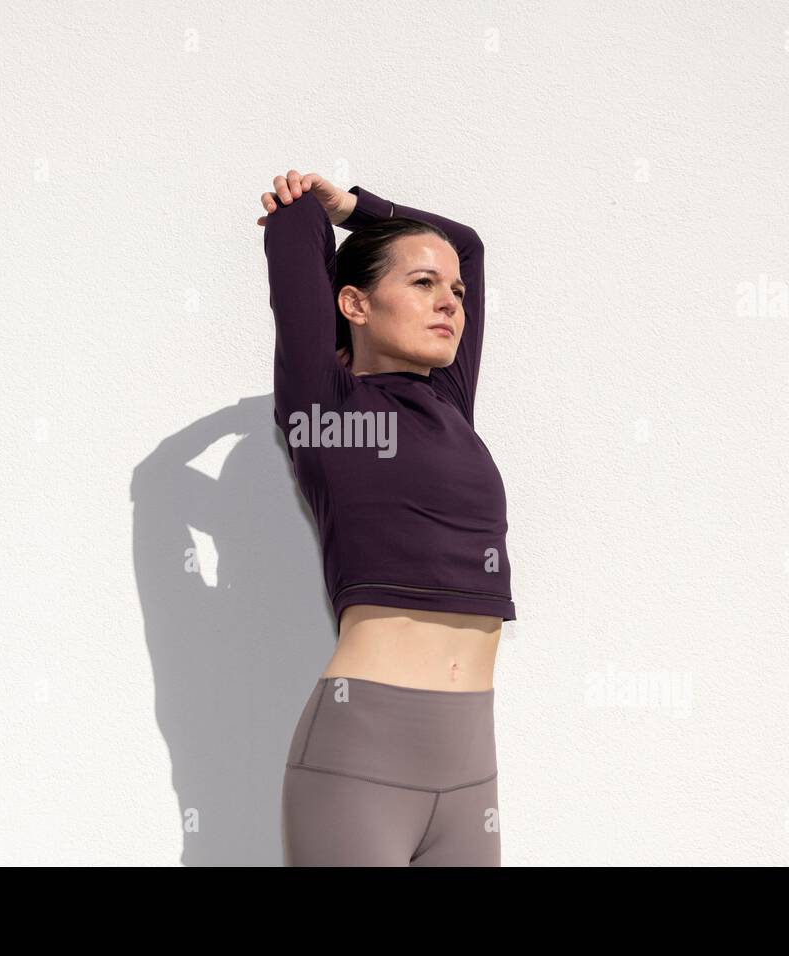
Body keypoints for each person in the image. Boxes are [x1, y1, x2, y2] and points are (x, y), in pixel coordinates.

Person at [259, 170, 516, 866]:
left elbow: (468, 246)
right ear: (354, 303)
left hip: (472, 772)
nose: (451, 304)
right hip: (359, 762)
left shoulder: (451, 406)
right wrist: (313, 206)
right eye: (424, 284)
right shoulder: (324, 412)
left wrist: (361, 208)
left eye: (456, 293)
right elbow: (294, 229)